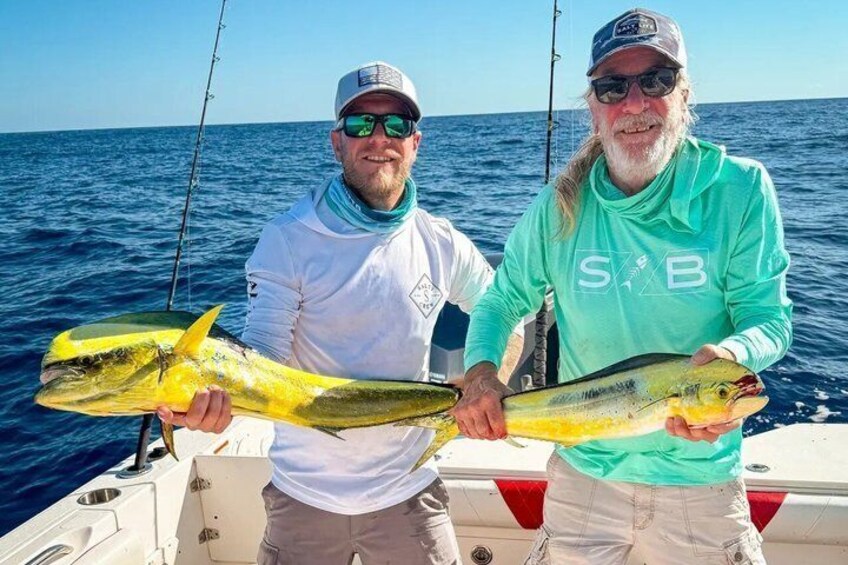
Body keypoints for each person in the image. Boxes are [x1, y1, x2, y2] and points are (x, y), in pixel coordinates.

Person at [454, 8, 791, 565]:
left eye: (656, 81)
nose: (634, 104)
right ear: (592, 106)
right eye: (612, 87)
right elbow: (502, 300)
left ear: (684, 94)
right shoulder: (558, 207)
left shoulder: (740, 189)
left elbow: (770, 319)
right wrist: (482, 374)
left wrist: (733, 355)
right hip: (584, 475)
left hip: (700, 483)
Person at [158, 61, 522, 565]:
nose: (379, 138)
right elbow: (261, 356)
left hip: (409, 491)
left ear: (415, 143)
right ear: (336, 142)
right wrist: (213, 400)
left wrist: (485, 379)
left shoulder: (441, 241)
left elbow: (503, 310)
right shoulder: (288, 238)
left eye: (396, 124)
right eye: (360, 123)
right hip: (303, 497)